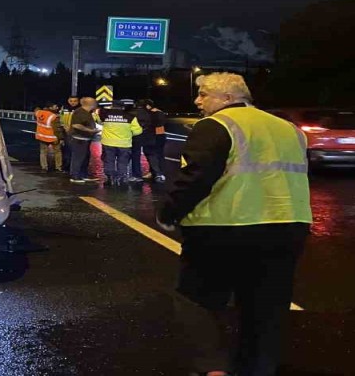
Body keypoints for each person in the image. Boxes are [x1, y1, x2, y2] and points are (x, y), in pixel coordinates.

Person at [156, 73, 311, 376]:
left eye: (203, 94)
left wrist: (168, 213)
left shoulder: (216, 125)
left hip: (225, 227)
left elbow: (196, 177)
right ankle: (258, 368)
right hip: (288, 227)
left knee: (196, 299)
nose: (198, 101)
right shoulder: (290, 129)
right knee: (267, 305)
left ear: (227, 98)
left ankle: (212, 368)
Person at [99, 99, 143, 186]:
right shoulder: (130, 117)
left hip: (108, 143)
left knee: (109, 161)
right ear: (123, 107)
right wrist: (129, 134)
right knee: (122, 161)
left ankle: (110, 178)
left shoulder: (105, 115)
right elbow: (138, 131)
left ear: (112, 106)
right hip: (124, 143)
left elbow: (99, 119)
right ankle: (121, 178)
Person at [134, 99, 168, 183]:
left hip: (156, 135)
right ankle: (156, 173)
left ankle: (159, 173)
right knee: (154, 154)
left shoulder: (153, 112)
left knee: (156, 154)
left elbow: (159, 123)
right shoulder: (155, 112)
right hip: (156, 135)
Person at [68, 97, 98, 183]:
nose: (96, 104)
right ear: (91, 104)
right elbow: (76, 125)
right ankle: (75, 176)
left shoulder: (87, 112)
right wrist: (90, 130)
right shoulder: (80, 112)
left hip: (85, 139)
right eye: (95, 103)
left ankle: (83, 175)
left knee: (85, 158)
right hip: (79, 139)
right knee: (78, 158)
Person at [33, 104, 62, 173]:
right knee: (57, 152)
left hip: (42, 136)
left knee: (43, 152)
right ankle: (58, 167)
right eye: (55, 107)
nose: (57, 108)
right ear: (50, 107)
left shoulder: (39, 113)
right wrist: (60, 138)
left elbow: (36, 111)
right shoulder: (54, 116)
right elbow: (57, 129)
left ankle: (44, 167)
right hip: (53, 137)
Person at [60, 97, 79, 174]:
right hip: (66, 133)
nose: (73, 103)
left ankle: (74, 168)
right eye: (71, 101)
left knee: (75, 152)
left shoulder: (80, 109)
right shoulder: (64, 108)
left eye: (75, 101)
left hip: (76, 133)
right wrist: (64, 127)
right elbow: (61, 119)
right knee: (67, 151)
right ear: (68, 101)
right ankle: (66, 168)